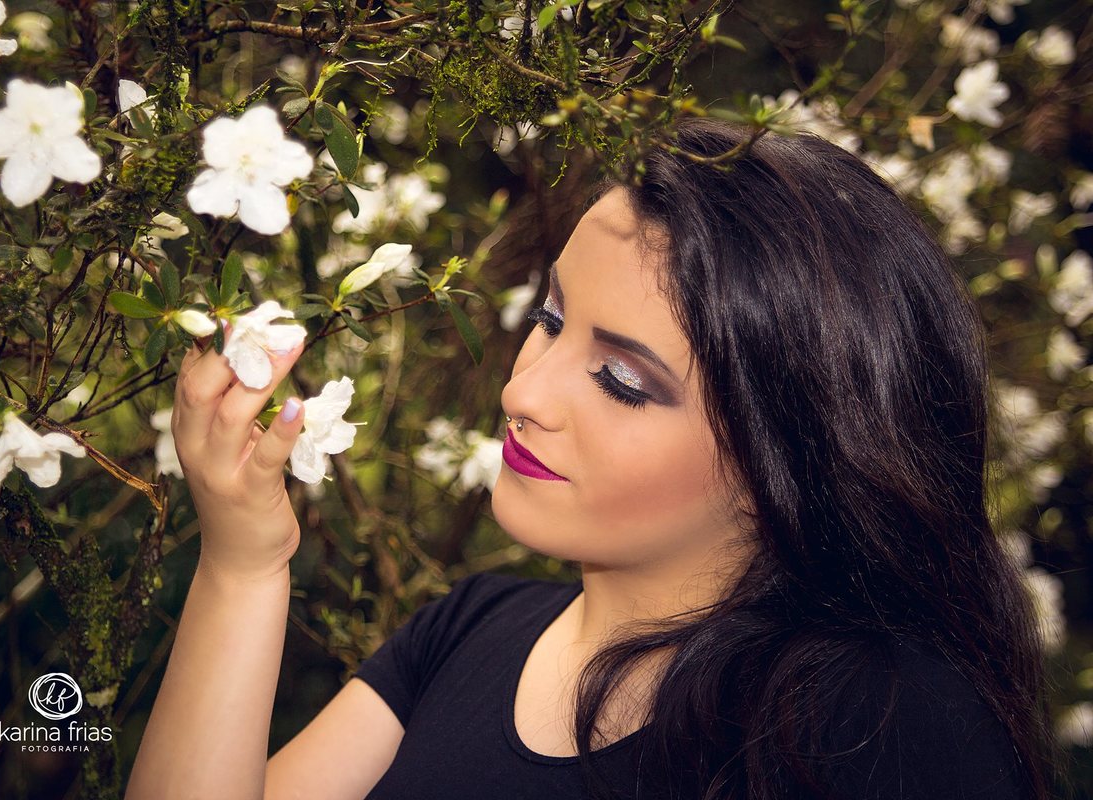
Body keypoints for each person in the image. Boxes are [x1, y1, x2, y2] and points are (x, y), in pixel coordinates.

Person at [124, 117, 1062, 800]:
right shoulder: (468, 632)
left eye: (621, 379)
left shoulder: (878, 725)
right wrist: (243, 567)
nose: (523, 393)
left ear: (793, 451)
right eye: (550, 319)